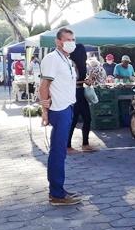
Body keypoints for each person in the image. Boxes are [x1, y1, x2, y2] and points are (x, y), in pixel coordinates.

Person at [39, 28, 81, 205]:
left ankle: (58, 189)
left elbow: (62, 83)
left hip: (67, 108)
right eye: (67, 39)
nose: (71, 42)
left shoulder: (67, 60)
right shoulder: (51, 59)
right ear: (58, 41)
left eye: (73, 39)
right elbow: (44, 85)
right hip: (59, 110)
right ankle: (56, 194)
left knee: (60, 152)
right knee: (57, 152)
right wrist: (44, 108)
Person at [68, 44, 102, 153]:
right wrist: (84, 81)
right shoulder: (71, 64)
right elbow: (69, 81)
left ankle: (85, 144)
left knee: (87, 118)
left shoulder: (82, 64)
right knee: (73, 120)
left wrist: (89, 79)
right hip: (74, 93)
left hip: (81, 92)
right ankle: (67, 145)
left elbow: (82, 79)